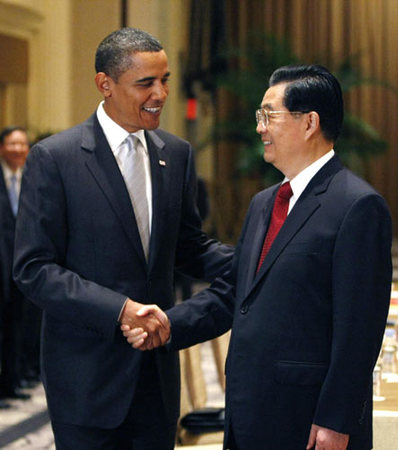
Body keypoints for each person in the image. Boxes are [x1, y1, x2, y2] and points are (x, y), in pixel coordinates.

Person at [124, 64, 392, 450]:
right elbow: (234, 294)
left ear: (309, 122)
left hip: (308, 421)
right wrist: (168, 323)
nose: (259, 128)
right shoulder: (264, 204)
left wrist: (336, 419)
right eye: (258, 116)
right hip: (248, 412)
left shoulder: (357, 206)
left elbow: (358, 332)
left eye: (269, 115)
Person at [13, 28, 233, 449]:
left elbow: (188, 247)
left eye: (165, 79)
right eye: (146, 83)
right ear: (105, 84)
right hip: (86, 381)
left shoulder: (177, 153)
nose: (161, 93)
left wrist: (262, 257)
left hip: (156, 380)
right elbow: (34, 269)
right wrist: (120, 310)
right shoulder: (55, 158)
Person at [0, 126, 32, 402]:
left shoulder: (30, 179)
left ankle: (11, 382)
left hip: (20, 270)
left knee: (16, 326)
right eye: (12, 143)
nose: (18, 149)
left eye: (23, 144)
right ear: (2, 148)